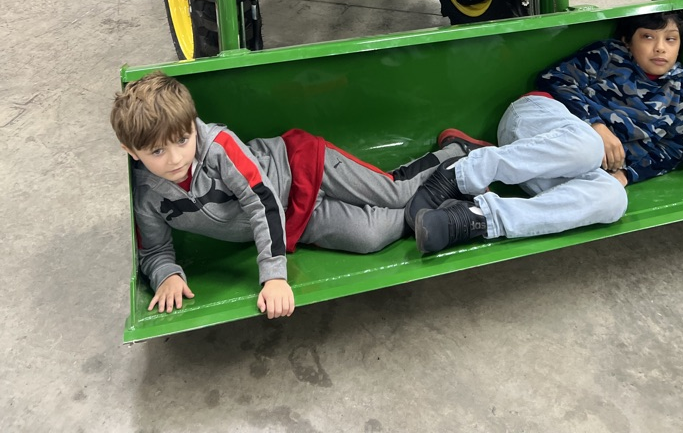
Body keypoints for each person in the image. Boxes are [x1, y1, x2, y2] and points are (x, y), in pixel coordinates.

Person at [111, 72, 467, 317]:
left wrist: (274, 276)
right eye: (157, 152)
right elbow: (155, 250)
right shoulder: (147, 194)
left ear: (192, 125)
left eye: (182, 140)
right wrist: (167, 275)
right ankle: (443, 195)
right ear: (131, 151)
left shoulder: (218, 146)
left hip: (302, 167)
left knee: (394, 191)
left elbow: (260, 200)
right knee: (370, 237)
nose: (175, 158)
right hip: (295, 218)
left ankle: (454, 152)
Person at [405, 11, 683, 255]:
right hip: (537, 119)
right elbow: (555, 79)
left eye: (670, 40)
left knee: (613, 200)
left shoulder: (681, 90)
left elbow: (672, 150)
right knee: (589, 145)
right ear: (627, 40)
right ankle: (460, 174)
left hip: (561, 165)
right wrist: (596, 124)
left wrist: (626, 174)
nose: (660, 48)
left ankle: (475, 219)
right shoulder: (609, 55)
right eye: (648, 36)